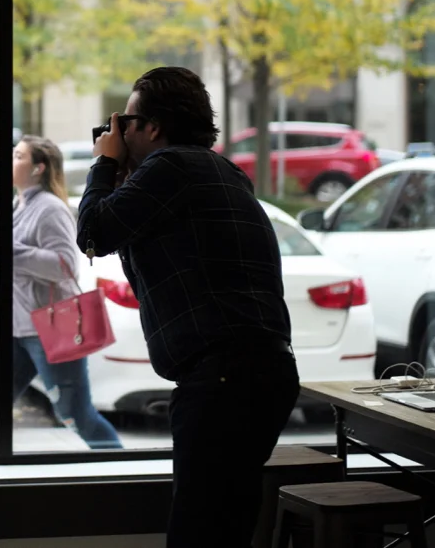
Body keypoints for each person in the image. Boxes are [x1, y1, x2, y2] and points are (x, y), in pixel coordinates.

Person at [76, 67, 299, 548]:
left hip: (223, 377)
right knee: (226, 527)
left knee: (197, 532)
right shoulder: (221, 170)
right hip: (264, 372)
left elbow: (94, 233)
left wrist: (103, 165)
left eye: (127, 121)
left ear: (152, 126)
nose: (118, 131)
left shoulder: (171, 168)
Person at [0, 136, 122, 451]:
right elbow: (20, 258)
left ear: (38, 167)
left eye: (18, 156)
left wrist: (6, 249)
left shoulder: (50, 208)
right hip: (13, 328)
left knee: (75, 415)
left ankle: (123, 469)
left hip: (48, 331)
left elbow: (65, 265)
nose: (10, 161)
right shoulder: (18, 205)